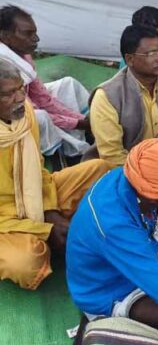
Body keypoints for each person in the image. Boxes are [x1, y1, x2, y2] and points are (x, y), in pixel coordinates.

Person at [66, 139, 158, 334]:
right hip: (113, 291)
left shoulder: (133, 177)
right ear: (157, 197)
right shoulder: (114, 225)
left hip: (142, 247)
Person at [0, 60, 109, 290]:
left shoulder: (24, 115)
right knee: (26, 264)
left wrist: (50, 212)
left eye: (20, 88)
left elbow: (38, 171)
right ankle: (58, 238)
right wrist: (45, 229)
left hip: (36, 197)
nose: (20, 98)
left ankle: (61, 236)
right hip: (5, 222)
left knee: (100, 170)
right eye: (8, 94)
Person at [88, 25, 158, 166]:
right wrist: (152, 173)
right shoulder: (107, 96)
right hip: (123, 170)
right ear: (130, 59)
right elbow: (112, 155)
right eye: (151, 54)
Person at [0, 5, 90, 156]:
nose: (36, 39)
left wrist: (81, 119)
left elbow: (42, 97)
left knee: (67, 84)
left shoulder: (21, 54)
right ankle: (59, 152)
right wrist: (78, 122)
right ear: (5, 36)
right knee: (40, 117)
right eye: (28, 34)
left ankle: (86, 129)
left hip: (24, 103)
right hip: (7, 117)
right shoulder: (4, 66)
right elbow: (29, 107)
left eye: (34, 33)